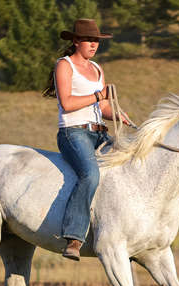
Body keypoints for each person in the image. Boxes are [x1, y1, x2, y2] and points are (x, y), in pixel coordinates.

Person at [43, 18, 130, 261]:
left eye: (97, 41)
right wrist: (98, 95)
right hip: (73, 132)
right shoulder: (64, 65)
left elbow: (102, 106)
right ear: (75, 41)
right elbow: (67, 104)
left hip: (100, 132)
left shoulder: (97, 69)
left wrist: (118, 115)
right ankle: (73, 237)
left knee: (129, 164)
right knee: (90, 174)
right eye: (89, 40)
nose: (94, 45)